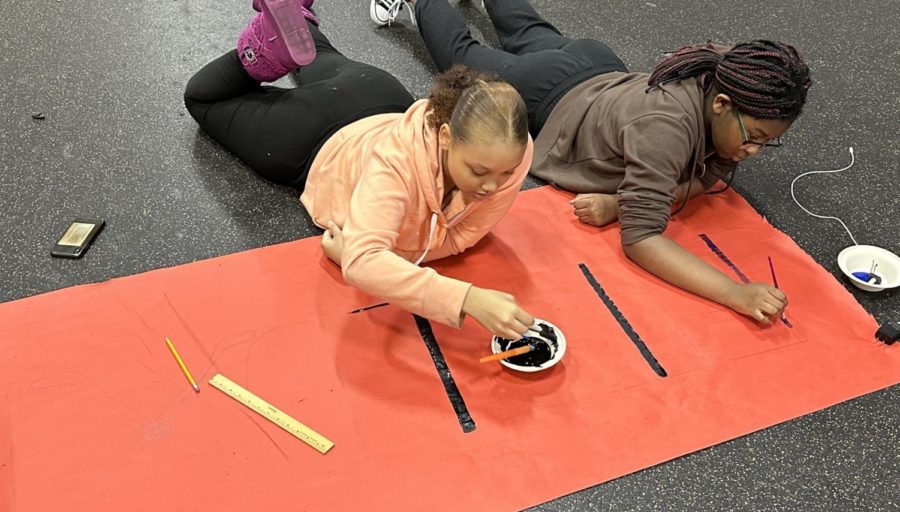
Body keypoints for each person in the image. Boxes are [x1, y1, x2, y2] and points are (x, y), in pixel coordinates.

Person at [372, 0, 812, 325]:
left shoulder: (728, 76)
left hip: (597, 65)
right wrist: (733, 292)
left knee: (527, 29)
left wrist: (618, 202)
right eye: (753, 138)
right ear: (719, 103)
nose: (752, 151)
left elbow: (708, 174)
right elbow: (642, 239)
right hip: (551, 93)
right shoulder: (666, 129)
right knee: (462, 54)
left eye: (766, 143)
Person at [184, 0, 536, 339]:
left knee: (315, 56)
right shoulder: (396, 166)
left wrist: (382, 253)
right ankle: (258, 52)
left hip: (377, 92)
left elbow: (462, 237)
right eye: (478, 171)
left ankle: (293, 17)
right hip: (313, 136)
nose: (494, 186)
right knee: (202, 98)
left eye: (505, 175)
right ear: (445, 137)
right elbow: (364, 262)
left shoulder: (509, 151)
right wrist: (467, 298)